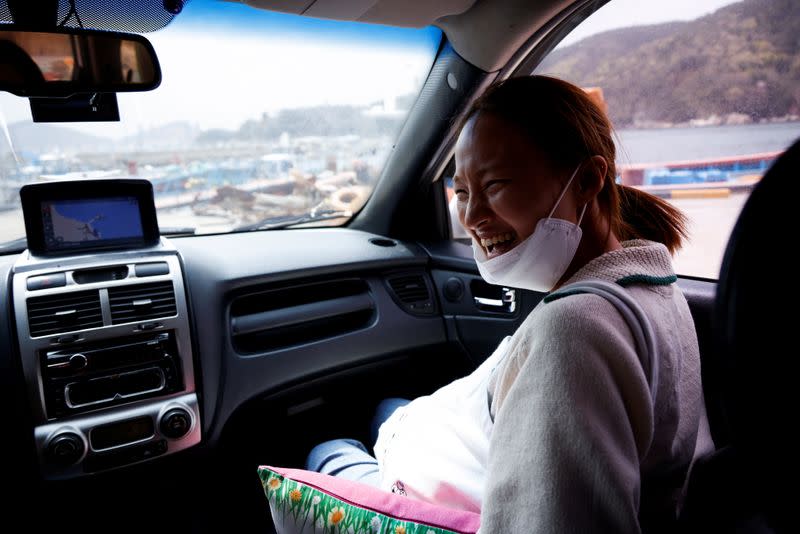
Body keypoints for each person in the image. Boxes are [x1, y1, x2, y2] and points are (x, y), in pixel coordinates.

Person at [306, 75, 709, 533]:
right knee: (389, 409)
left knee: (327, 447)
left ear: (589, 180)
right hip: (444, 433)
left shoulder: (574, 329)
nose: (473, 217)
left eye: (495, 184)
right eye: (461, 192)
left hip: (430, 482)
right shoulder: (654, 287)